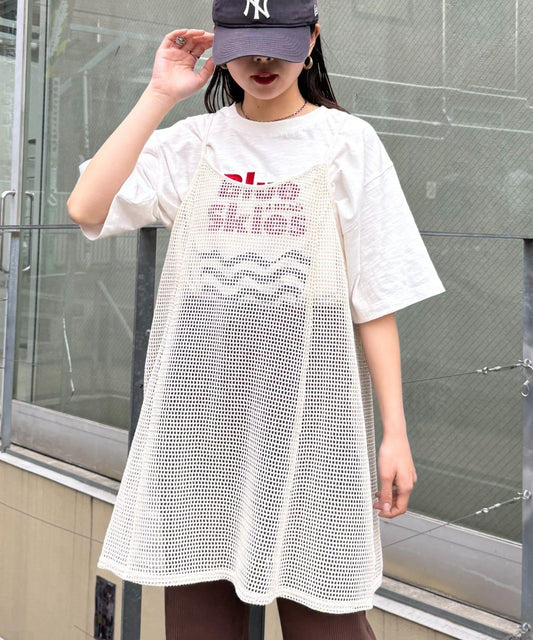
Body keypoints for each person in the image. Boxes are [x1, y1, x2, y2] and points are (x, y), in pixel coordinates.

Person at [67, 1, 446, 638]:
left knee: (328, 619)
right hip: (198, 433)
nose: (263, 61)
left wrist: (395, 433)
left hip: (313, 428)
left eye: (279, 45)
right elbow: (85, 206)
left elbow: (375, 298)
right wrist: (160, 94)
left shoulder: (346, 142)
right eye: (245, 46)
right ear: (219, 46)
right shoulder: (195, 142)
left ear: (312, 40)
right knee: (198, 626)